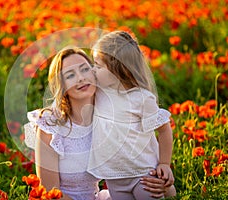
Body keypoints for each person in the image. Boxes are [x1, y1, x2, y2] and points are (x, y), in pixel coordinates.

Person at [24, 46, 170, 200]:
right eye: (70, 75)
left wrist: (161, 173)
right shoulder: (50, 125)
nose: (81, 78)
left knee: (165, 190)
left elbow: (150, 136)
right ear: (62, 85)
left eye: (85, 70)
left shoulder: (112, 110)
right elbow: (50, 190)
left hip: (99, 196)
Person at [87, 31, 176, 200]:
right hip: (114, 177)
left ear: (118, 69)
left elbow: (164, 130)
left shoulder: (141, 98)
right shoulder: (97, 92)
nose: (93, 70)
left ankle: (169, 190)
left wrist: (164, 163)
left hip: (144, 173)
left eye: (98, 66)